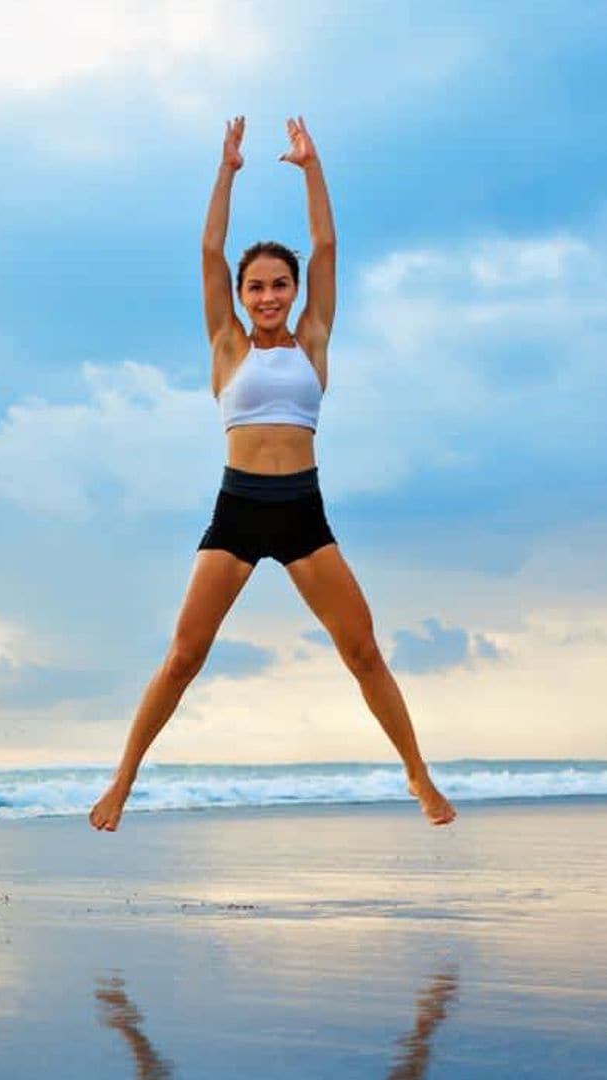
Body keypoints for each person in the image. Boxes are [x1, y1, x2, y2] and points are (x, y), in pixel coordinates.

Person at [88, 116, 457, 833]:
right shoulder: (227, 345)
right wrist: (226, 170)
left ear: (293, 291)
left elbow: (326, 245)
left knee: (363, 652)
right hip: (238, 509)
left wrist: (311, 168)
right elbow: (207, 248)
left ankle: (416, 772)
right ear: (241, 293)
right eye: (254, 287)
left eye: (278, 286)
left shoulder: (312, 341)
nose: (266, 296)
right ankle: (123, 779)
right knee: (185, 655)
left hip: (302, 512)